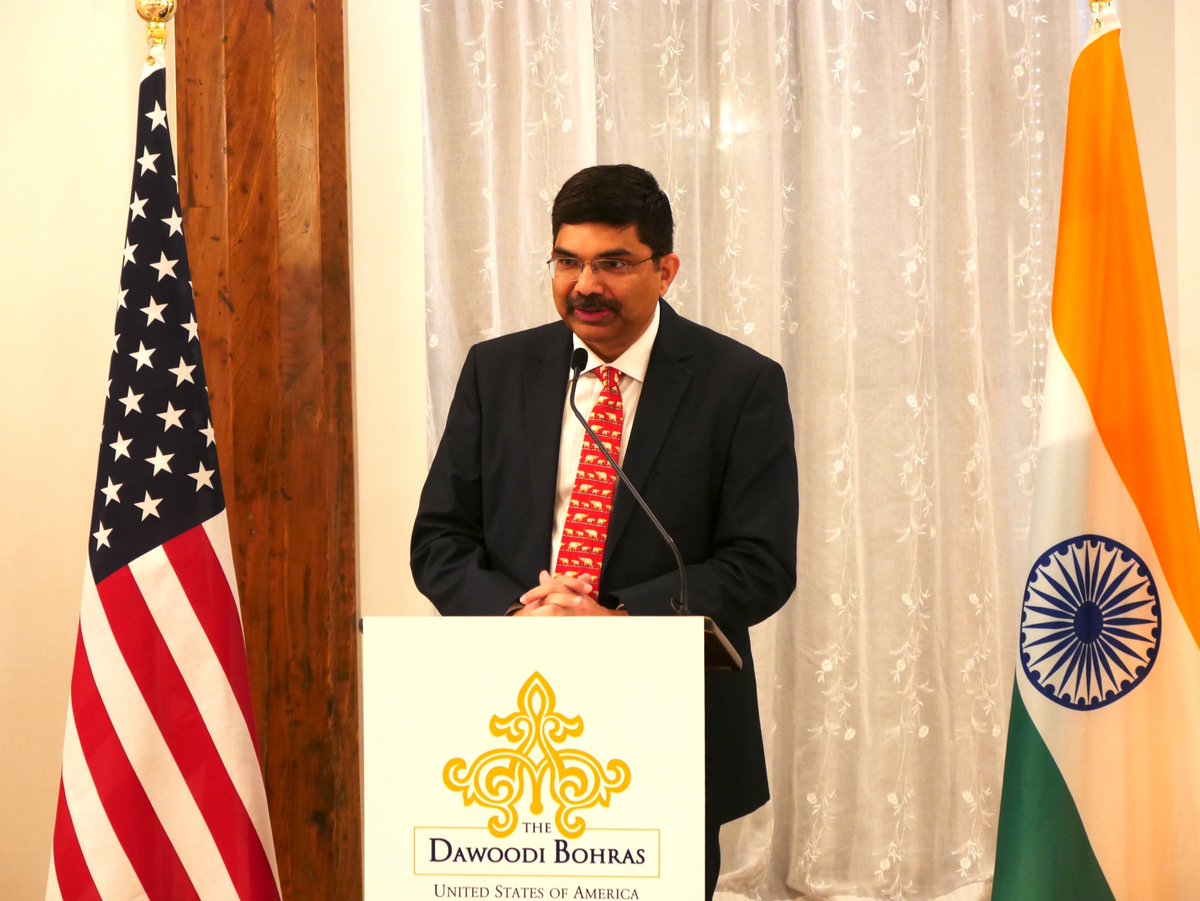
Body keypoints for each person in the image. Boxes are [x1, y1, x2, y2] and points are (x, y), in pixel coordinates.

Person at [411, 163, 798, 899]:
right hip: (509, 711)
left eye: (614, 263)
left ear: (666, 270)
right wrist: (523, 613)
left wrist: (614, 615)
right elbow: (439, 538)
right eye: (567, 261)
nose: (585, 284)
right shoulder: (498, 371)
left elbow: (761, 563)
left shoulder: (739, 384)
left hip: (669, 714)